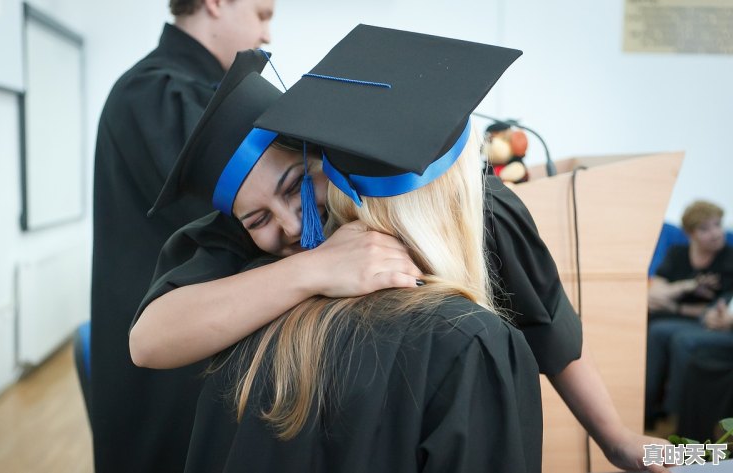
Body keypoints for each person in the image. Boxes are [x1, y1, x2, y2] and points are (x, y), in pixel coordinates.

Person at [130, 27, 672, 473]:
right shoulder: (240, 240)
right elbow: (150, 341)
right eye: (257, 219)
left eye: (297, 185)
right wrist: (315, 269)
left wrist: (616, 439)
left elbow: (548, 320)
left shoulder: (478, 208)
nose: (291, 224)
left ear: (322, 152)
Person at [90, 1, 274, 471]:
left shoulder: (185, 93)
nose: (267, 34)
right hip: (166, 374)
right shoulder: (155, 93)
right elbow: (243, 209)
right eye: (261, 14)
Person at [645, 200, 733, 428]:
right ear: (689, 233)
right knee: (654, 327)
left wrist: (674, 303)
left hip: (705, 322)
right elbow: (654, 294)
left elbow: (715, 311)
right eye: (705, 228)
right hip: (682, 316)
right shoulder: (678, 253)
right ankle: (647, 407)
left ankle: (676, 413)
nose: (715, 233)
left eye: (717, 225)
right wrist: (686, 286)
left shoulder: (729, 257)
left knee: (678, 338)